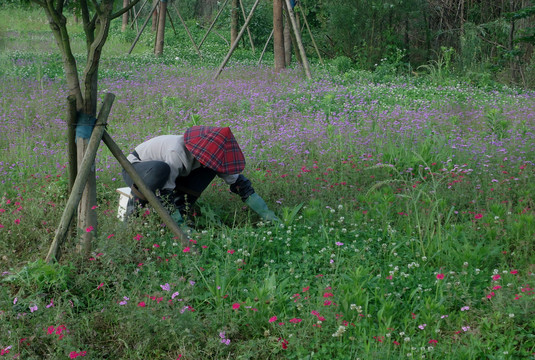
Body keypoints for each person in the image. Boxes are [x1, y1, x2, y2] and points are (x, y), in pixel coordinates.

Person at [121, 125, 279, 225]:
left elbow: (239, 184)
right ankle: (132, 214)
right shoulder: (176, 150)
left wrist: (267, 215)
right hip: (138, 170)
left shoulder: (213, 158)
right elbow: (165, 190)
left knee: (208, 170)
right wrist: (178, 225)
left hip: (167, 175)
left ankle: (183, 211)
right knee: (161, 169)